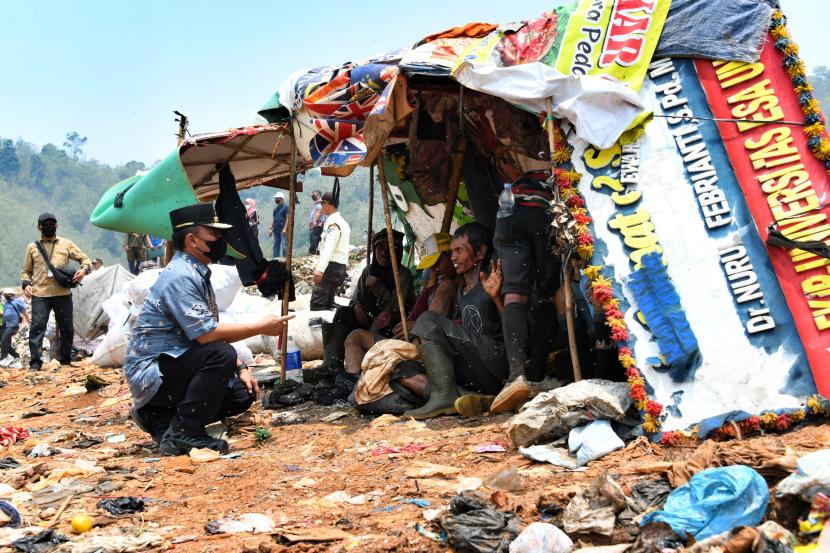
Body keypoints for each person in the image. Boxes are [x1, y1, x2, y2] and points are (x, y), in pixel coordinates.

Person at [124, 203, 293, 455]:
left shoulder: (196, 272)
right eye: (214, 234)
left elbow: (204, 333)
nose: (220, 239)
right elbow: (207, 335)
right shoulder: (181, 276)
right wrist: (262, 326)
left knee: (241, 394)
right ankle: (184, 433)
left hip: (173, 365)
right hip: (153, 372)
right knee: (219, 355)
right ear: (192, 240)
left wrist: (241, 367)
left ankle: (159, 420)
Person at [344, 233, 458, 414]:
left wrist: (380, 290)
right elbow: (411, 318)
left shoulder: (443, 285)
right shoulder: (429, 290)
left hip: (424, 350)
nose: (435, 270)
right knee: (354, 337)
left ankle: (365, 392)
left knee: (386, 363)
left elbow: (429, 325)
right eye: (431, 265)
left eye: (438, 263)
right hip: (405, 341)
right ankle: (353, 386)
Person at [405, 223, 508, 419]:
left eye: (459, 251)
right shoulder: (462, 291)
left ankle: (444, 396)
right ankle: (471, 397)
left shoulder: (492, 281)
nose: (453, 257)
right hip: (475, 363)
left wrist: (496, 298)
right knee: (402, 367)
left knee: (428, 320)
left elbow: (512, 330)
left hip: (494, 362)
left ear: (480, 252)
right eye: (452, 251)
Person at [490, 171, 562, 414]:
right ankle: (536, 372)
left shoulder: (514, 181)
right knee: (548, 293)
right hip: (538, 213)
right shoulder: (554, 174)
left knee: (514, 293)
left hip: (506, 216)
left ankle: (516, 375)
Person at [321, 229, 415, 377]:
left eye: (390, 248)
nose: (384, 253)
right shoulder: (369, 271)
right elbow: (356, 298)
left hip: (391, 327)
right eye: (380, 248)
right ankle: (332, 364)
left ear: (397, 252)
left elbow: (397, 308)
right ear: (374, 249)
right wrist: (357, 306)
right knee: (343, 313)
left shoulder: (403, 275)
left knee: (385, 318)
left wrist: (379, 288)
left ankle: (367, 366)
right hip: (368, 319)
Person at [20, 212, 92, 371]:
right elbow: (26, 271)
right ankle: (35, 364)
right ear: (39, 227)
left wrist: (84, 270)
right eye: (45, 224)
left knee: (67, 329)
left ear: (57, 225)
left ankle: (65, 361)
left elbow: (84, 259)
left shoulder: (66, 244)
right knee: (37, 328)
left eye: (52, 223)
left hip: (63, 294)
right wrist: (26, 284)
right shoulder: (32, 247)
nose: (49, 226)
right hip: (40, 294)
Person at [310, 183, 351, 311]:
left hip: (331, 266)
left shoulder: (333, 223)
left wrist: (320, 269)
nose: (321, 207)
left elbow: (329, 247)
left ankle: (320, 330)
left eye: (322, 203)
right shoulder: (342, 222)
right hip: (340, 266)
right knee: (328, 303)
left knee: (317, 304)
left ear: (328, 204)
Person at [1, 288, 29, 365]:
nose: (7, 296)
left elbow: (23, 310)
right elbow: (5, 314)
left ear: (12, 295)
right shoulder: (6, 304)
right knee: (6, 342)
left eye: (8, 295)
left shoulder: (16, 301)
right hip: (6, 325)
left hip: (13, 325)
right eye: (6, 295)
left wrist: (28, 319)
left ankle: (3, 358)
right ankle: (16, 356)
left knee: (4, 340)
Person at [268, 192, 288, 258]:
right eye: (276, 198)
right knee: (276, 245)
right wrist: (270, 228)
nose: (276, 200)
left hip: (283, 230)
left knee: (284, 245)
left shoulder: (286, 207)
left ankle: (285, 259)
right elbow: (274, 219)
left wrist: (285, 228)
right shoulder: (275, 209)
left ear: (282, 199)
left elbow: (288, 218)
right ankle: (275, 259)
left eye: (277, 198)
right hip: (276, 230)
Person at [308, 190, 325, 254]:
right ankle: (319, 252)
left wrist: (315, 220)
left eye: (314, 195)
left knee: (313, 235)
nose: (312, 196)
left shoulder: (319, 203)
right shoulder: (317, 203)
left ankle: (313, 250)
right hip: (318, 224)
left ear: (318, 195)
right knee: (319, 238)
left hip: (318, 223)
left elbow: (319, 211)